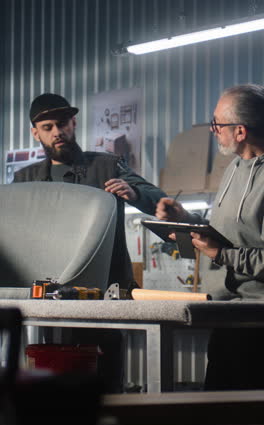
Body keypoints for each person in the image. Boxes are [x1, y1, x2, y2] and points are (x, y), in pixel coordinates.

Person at [14, 92, 167, 393]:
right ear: (36, 132)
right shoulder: (25, 180)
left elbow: (157, 200)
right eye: (47, 126)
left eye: (62, 123)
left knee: (106, 387)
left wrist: (135, 194)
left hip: (103, 297)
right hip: (48, 300)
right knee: (52, 381)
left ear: (73, 123)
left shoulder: (108, 167)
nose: (57, 131)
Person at [156, 84, 264, 390]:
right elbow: (229, 235)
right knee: (217, 410)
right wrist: (186, 220)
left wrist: (220, 254)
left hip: (257, 321)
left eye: (217, 123)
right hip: (226, 314)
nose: (213, 129)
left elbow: (227, 249)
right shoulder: (234, 168)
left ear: (240, 131)